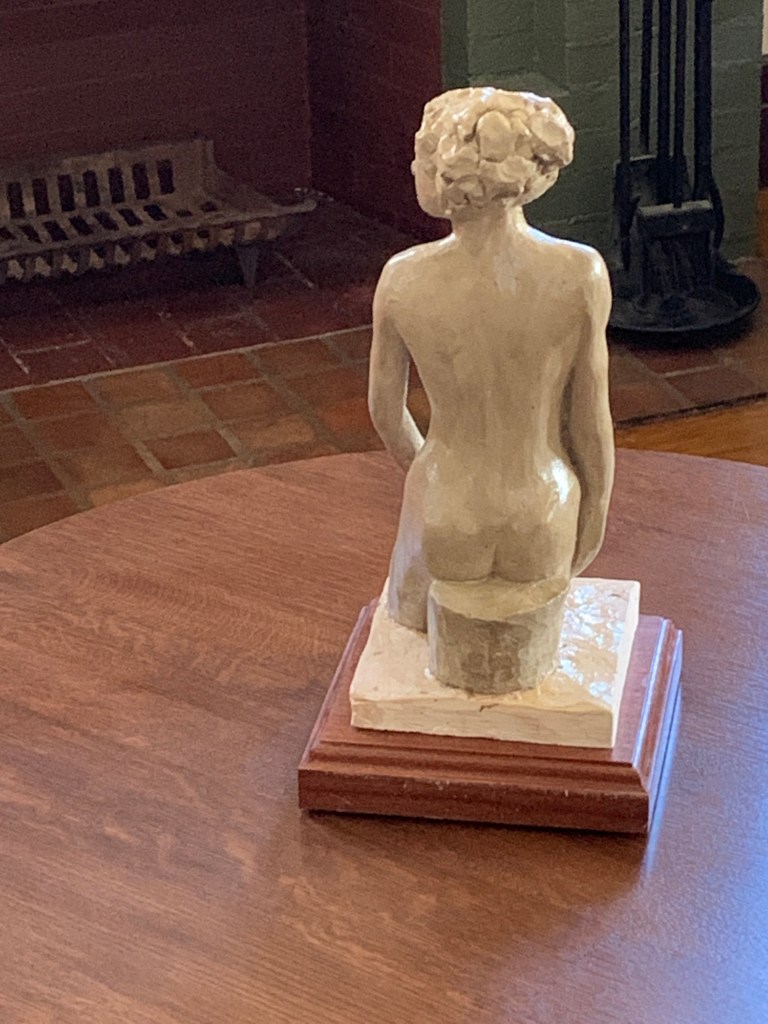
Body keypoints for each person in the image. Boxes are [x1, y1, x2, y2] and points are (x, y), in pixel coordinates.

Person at [368, 87, 614, 635]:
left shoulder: (402, 278)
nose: (413, 165)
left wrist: (431, 476)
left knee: (418, 639)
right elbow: (589, 420)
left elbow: (386, 414)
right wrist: (594, 511)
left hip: (447, 504)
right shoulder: (581, 273)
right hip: (542, 506)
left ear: (443, 169)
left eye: (420, 152)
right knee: (531, 642)